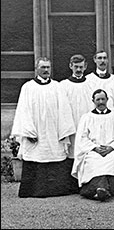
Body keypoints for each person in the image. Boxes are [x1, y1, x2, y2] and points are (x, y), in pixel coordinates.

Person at [11, 57, 77, 198]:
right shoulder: (28, 87)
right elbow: (24, 110)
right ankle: (33, 191)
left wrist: (63, 132)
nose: (46, 70)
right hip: (36, 132)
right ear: (37, 69)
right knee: (36, 155)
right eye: (43, 67)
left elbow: (64, 110)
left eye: (48, 67)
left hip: (53, 131)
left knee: (54, 154)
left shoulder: (57, 87)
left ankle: (56, 190)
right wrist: (28, 131)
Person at [72, 89, 114, 201]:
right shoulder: (86, 117)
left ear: (107, 100)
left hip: (112, 150)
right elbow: (82, 138)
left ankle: (95, 190)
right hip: (93, 150)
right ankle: (103, 189)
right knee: (93, 160)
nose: (101, 102)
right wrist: (94, 148)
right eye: (98, 99)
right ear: (93, 101)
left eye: (103, 99)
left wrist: (111, 147)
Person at [59, 54, 94, 164]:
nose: (78, 70)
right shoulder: (63, 85)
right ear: (70, 66)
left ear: (85, 66)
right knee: (72, 154)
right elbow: (62, 109)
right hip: (71, 124)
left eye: (81, 67)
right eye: (76, 67)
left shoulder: (91, 84)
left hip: (87, 125)